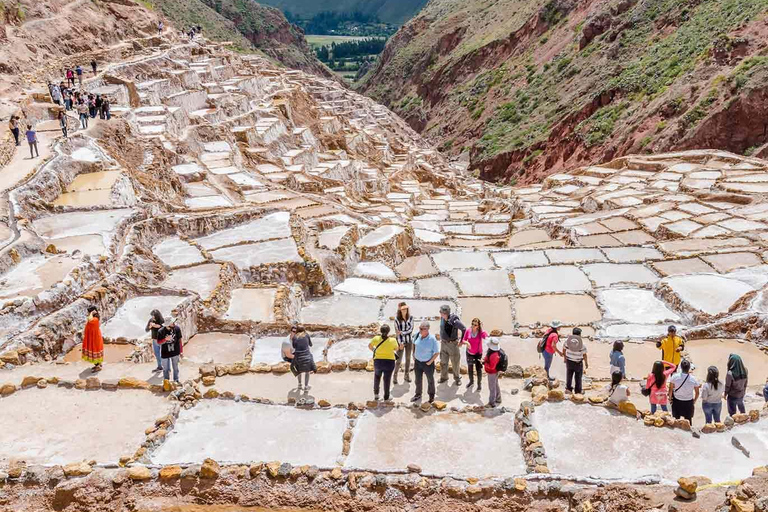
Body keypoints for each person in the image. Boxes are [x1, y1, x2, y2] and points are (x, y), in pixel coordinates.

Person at [369, 324, 402, 401]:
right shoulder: (393, 340)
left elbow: (370, 346)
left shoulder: (376, 338)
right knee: (387, 379)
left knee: (377, 378)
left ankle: (376, 395)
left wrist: (374, 350)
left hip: (378, 361)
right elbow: (396, 349)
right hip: (389, 362)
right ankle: (386, 396)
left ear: (380, 331)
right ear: (388, 332)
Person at [411, 321, 439, 404]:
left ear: (427, 329)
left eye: (422, 329)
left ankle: (431, 396)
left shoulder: (432, 339)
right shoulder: (417, 335)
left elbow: (437, 352)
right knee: (417, 380)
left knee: (430, 380)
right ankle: (418, 394)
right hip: (417, 362)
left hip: (428, 364)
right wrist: (413, 355)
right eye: (419, 328)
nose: (420, 330)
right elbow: (414, 344)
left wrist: (430, 362)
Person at [438, 304, 466, 386]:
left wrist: (461, 341)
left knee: (455, 363)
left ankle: (457, 378)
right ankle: (444, 377)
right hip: (443, 343)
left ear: (445, 313)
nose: (439, 313)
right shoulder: (442, 319)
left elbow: (464, 329)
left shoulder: (454, 320)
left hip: (452, 344)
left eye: (441, 312)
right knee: (443, 362)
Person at [461, 317, 487, 391]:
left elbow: (486, 337)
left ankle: (479, 384)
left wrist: (482, 329)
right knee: (470, 368)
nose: (473, 326)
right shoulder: (468, 330)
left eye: (475, 325)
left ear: (478, 326)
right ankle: (471, 382)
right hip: (469, 353)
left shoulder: (480, 332)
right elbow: (463, 340)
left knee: (479, 370)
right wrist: (467, 343)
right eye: (472, 324)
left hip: (478, 354)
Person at [393, 302, 414, 384]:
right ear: (400, 310)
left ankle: (407, 375)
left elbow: (411, 329)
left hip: (409, 341)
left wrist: (402, 332)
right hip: (400, 342)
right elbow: (397, 333)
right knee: (398, 360)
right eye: (403, 309)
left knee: (408, 359)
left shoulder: (411, 318)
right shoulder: (396, 319)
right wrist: (400, 343)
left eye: (405, 309)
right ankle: (395, 376)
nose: (404, 310)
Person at [563, 327, 588, 394]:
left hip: (569, 361)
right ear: (579, 335)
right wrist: (586, 363)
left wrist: (565, 358)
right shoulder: (582, 345)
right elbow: (584, 355)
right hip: (578, 363)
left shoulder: (567, 342)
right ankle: (578, 391)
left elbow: (564, 349)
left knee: (569, 376)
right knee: (578, 377)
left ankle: (568, 388)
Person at [158, 317, 182, 383]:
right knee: (165, 369)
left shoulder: (177, 329)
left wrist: (181, 351)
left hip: (175, 351)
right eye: (172, 323)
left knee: (175, 368)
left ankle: (176, 380)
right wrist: (165, 339)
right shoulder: (161, 331)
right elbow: (159, 342)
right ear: (167, 325)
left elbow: (179, 340)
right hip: (165, 352)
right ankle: (166, 382)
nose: (173, 323)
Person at [291, 325, 315, 390]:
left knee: (299, 371)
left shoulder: (294, 337)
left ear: (297, 330)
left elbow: (294, 347)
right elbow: (311, 344)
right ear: (304, 330)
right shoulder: (306, 335)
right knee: (307, 371)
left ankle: (299, 385)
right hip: (306, 356)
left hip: (298, 357)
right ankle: (306, 386)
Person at [82, 306, 104, 372]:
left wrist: (91, 313)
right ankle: (98, 364)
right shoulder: (95, 318)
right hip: (93, 337)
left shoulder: (95, 319)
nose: (88, 313)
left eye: (89, 312)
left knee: (94, 349)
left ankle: (98, 366)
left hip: (94, 338)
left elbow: (90, 319)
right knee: (95, 350)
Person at [482, 337, 502, 407]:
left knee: (492, 387)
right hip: (495, 371)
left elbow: (491, 367)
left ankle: (492, 403)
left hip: (492, 372)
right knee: (495, 385)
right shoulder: (493, 352)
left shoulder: (494, 355)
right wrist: (485, 360)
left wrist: (484, 363)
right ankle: (498, 399)